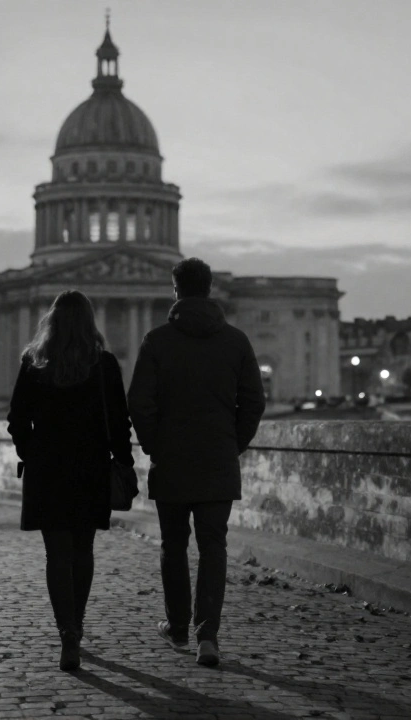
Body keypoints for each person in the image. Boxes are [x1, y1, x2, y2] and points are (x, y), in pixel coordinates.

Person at [127, 257, 265, 667]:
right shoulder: (236, 341)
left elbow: (139, 403)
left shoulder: (157, 340)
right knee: (213, 546)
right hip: (217, 459)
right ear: (209, 290)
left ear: (175, 291)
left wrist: (155, 445)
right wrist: (231, 444)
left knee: (173, 546)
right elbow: (254, 401)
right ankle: (209, 636)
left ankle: (178, 627)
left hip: (171, 460)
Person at [7, 289, 134, 672]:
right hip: (90, 468)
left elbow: (16, 420)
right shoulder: (105, 364)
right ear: (90, 323)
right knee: (82, 552)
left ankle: (67, 632)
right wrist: (124, 463)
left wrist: (33, 452)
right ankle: (75, 626)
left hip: (48, 471)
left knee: (57, 555)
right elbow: (119, 423)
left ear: (52, 322)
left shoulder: (35, 363)